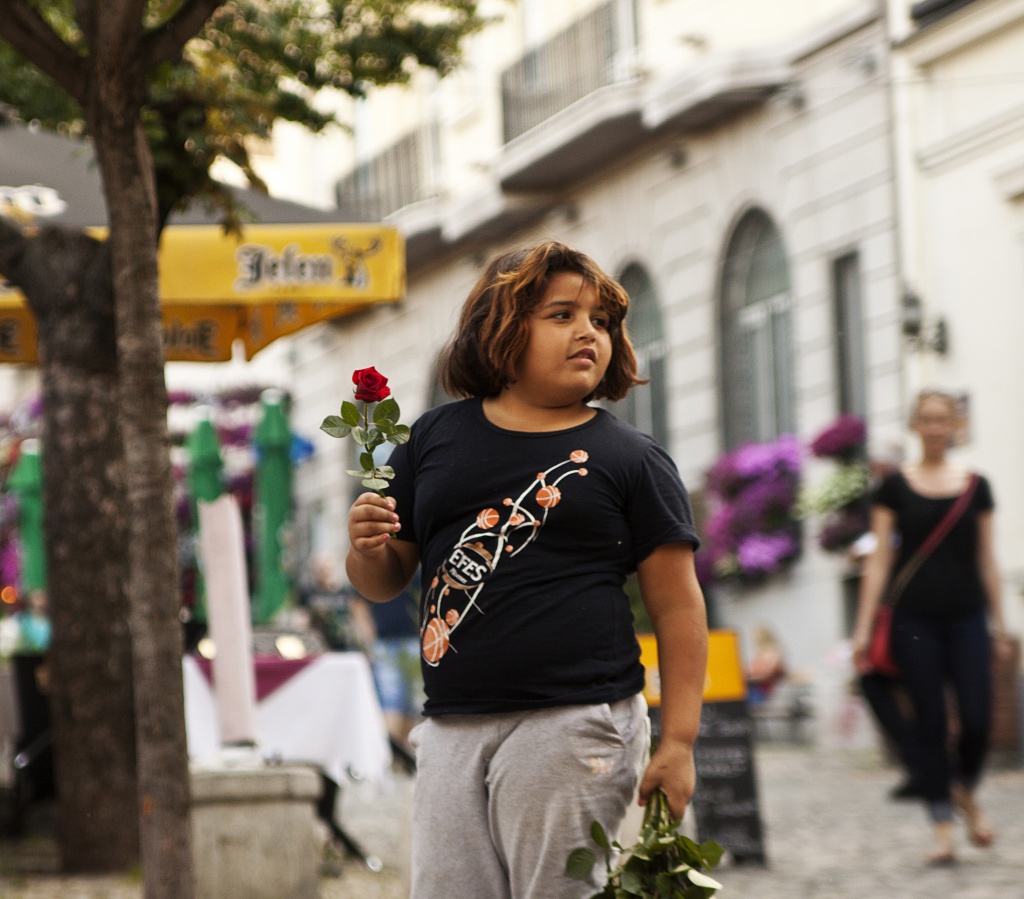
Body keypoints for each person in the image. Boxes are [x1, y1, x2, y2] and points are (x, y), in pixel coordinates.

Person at [346, 241, 708, 899]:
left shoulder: (630, 456)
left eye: (599, 321)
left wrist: (679, 740)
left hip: (574, 721)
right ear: (501, 330)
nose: (587, 333)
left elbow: (679, 604)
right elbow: (385, 578)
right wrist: (367, 548)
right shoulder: (432, 439)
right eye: (562, 314)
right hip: (452, 724)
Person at [852, 390, 1012, 864]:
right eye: (927, 419)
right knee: (931, 722)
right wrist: (863, 628)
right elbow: (880, 560)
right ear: (915, 425)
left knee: (979, 721)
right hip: (913, 620)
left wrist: (1001, 626)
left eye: (944, 419)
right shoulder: (895, 486)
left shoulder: (976, 485)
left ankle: (963, 790)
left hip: (967, 617)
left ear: (955, 426)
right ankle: (944, 826)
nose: (936, 427)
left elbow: (987, 559)